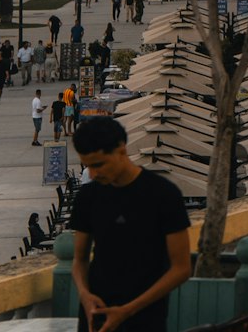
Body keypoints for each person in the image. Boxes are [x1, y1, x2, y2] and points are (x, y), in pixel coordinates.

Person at [69, 117, 192, 332]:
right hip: (96, 317)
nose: (94, 174)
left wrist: (128, 310)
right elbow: (79, 260)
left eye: (99, 164)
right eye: (88, 166)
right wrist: (85, 295)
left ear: (121, 150)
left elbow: (181, 269)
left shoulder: (163, 194)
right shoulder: (88, 197)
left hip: (144, 319)